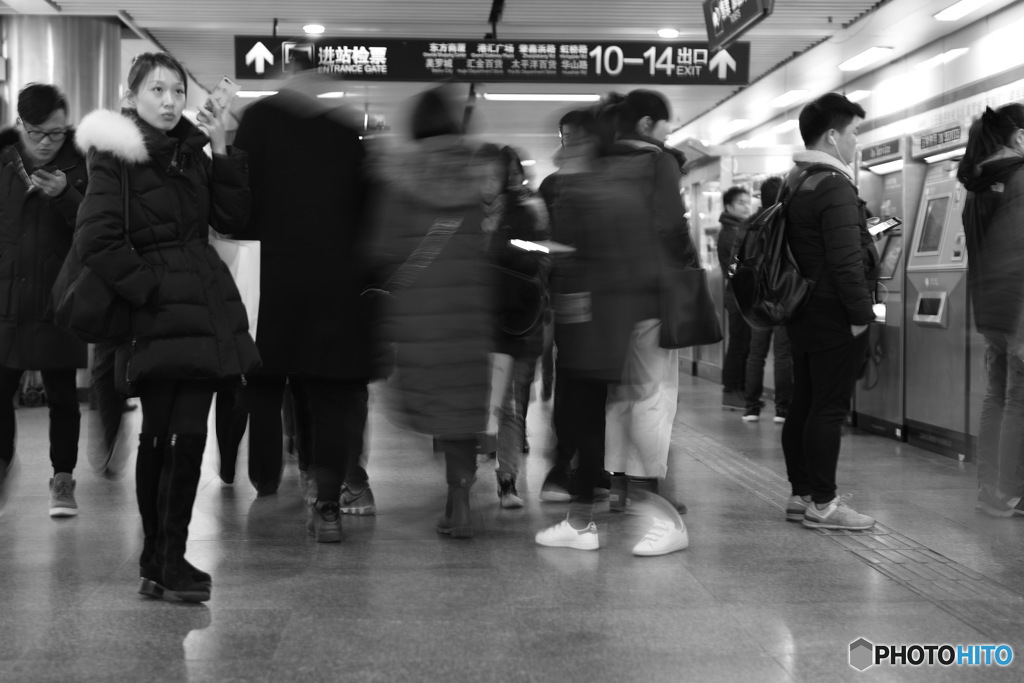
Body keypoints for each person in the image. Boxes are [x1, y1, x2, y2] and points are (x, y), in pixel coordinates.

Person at [75, 52, 258, 601]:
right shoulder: (115, 156)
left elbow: (234, 220)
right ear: (130, 97)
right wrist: (147, 290)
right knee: (161, 430)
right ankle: (162, 556)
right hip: (156, 311)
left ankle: (163, 558)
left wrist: (221, 142)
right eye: (157, 90)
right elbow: (95, 237)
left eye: (178, 91)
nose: (170, 101)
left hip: (199, 308)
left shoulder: (193, 153)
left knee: (185, 431)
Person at [538, 90, 690, 556]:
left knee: (632, 411)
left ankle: (661, 519)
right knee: (595, 417)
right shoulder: (602, 176)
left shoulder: (610, 179)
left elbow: (625, 248)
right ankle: (582, 521)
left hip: (620, 314)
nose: (565, 149)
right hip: (597, 316)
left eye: (575, 141)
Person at [232, 61, 375, 538]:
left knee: (265, 388)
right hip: (332, 292)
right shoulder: (342, 133)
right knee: (329, 397)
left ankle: (266, 480)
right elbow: (365, 214)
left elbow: (240, 205)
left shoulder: (257, 121)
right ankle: (328, 502)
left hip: (271, 284)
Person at [369, 86, 494, 539]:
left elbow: (380, 250)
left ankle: (455, 495)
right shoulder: (476, 173)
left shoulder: (398, 180)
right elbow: (487, 245)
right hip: (467, 314)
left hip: (417, 317)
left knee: (435, 402)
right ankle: (459, 498)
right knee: (461, 409)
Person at [781, 92, 877, 530]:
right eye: (855, 132)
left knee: (804, 402)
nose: (857, 142)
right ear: (833, 135)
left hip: (803, 309)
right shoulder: (834, 185)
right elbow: (845, 260)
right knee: (828, 408)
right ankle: (825, 503)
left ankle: (802, 494)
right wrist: (862, 315)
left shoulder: (797, 180)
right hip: (833, 311)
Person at [0, 83, 88, 516]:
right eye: (38, 133)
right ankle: (1, 466)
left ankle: (63, 479)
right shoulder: (2, 161)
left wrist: (66, 196)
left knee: (63, 397)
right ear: (21, 126)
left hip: (59, 298)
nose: (48, 143)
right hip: (7, 297)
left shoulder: (80, 165)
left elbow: (96, 228)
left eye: (56, 133)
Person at [958, 104, 1024, 517]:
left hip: (991, 306)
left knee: (997, 394)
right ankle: (1007, 490)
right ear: (1018, 136)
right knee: (1018, 399)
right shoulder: (1019, 177)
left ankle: (990, 485)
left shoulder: (977, 182)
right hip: (1018, 307)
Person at [478, 144, 550, 508]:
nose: (495, 182)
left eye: (501, 174)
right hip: (476, 323)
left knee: (507, 405)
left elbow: (537, 256)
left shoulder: (524, 211)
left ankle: (508, 480)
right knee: (484, 402)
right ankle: (460, 478)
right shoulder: (461, 215)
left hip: (513, 321)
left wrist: (497, 254)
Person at [740, 177, 793, 423]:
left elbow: (738, 260)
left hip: (756, 297)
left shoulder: (750, 224)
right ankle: (782, 410)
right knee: (783, 354)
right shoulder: (786, 222)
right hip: (782, 295)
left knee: (755, 354)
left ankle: (751, 407)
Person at [717, 185, 753, 411]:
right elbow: (732, 268)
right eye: (741, 202)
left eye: (748, 202)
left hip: (739, 294)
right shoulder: (731, 233)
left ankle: (737, 389)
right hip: (738, 295)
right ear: (729, 206)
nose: (747, 206)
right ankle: (731, 390)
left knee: (741, 343)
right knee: (739, 344)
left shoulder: (738, 229)